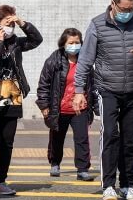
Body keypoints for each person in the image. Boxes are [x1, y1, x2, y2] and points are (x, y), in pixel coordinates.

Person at [73, 0, 133, 200]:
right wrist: (79, 91)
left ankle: (127, 185)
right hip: (106, 89)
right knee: (110, 134)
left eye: (131, 8)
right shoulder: (97, 24)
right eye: (124, 8)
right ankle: (108, 186)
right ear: (113, 4)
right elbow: (84, 61)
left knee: (129, 141)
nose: (127, 12)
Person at [0, 5, 43, 195]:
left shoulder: (15, 42)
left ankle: (1, 181)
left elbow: (37, 40)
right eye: (8, 23)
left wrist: (22, 23)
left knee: (7, 141)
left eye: (12, 23)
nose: (10, 27)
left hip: (11, 93)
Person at [36, 28, 97, 181]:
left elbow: (92, 85)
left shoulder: (85, 61)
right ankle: (55, 163)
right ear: (63, 43)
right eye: (71, 42)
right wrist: (44, 105)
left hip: (80, 109)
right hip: (59, 108)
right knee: (57, 137)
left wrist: (95, 106)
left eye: (77, 42)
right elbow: (44, 83)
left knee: (82, 139)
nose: (74, 45)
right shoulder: (54, 60)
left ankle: (83, 169)